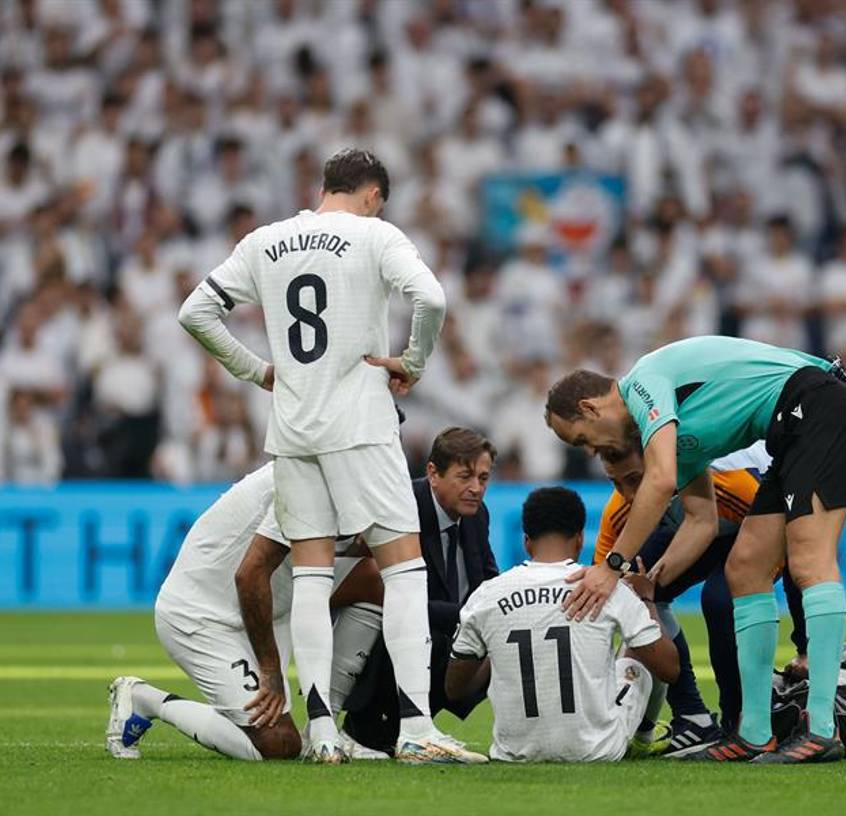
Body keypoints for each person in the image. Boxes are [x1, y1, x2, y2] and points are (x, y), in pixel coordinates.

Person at [176, 149, 478, 763]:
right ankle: (417, 729)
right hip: (360, 423)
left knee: (312, 573)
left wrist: (255, 369)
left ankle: (320, 732)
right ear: (372, 195)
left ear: (324, 187)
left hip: (292, 427)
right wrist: (413, 363)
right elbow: (433, 298)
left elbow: (195, 311)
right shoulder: (374, 234)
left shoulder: (266, 241)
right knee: (404, 570)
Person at [545, 335, 846, 763]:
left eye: (581, 439)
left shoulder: (644, 383)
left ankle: (822, 729)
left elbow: (659, 483)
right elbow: (702, 521)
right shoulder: (673, 434)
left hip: (817, 406)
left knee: (809, 561)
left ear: (590, 408)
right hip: (790, 429)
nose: (590, 452)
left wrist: (611, 566)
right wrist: (650, 581)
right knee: (745, 567)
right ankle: (753, 732)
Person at [104, 463, 386, 762]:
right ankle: (145, 700)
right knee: (278, 744)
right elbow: (249, 575)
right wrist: (269, 671)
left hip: (271, 604)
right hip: (203, 615)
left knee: (373, 582)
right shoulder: (303, 478)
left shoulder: (356, 471)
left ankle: (322, 726)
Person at [595, 442, 809, 756]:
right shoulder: (618, 511)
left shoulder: (732, 484)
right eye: (616, 482)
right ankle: (692, 716)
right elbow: (602, 594)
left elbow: (796, 544)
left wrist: (804, 646)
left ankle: (741, 720)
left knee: (719, 601)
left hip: (752, 531)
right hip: (701, 534)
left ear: (660, 465)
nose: (629, 495)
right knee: (630, 592)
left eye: (635, 479)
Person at [445, 487, 679, 762]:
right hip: (598, 750)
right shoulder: (606, 589)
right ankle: (643, 739)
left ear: (526, 541)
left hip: (514, 754)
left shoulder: (487, 595)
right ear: (580, 539)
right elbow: (669, 668)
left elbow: (455, 689)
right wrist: (645, 598)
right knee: (634, 652)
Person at [341, 427, 499, 753]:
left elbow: (487, 580)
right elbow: (394, 597)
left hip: (447, 625)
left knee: (502, 636)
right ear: (433, 473)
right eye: (465, 477)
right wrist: (470, 616)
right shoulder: (402, 509)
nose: (476, 488)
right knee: (431, 636)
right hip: (376, 627)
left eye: (483, 479)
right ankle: (365, 732)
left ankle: (511, 740)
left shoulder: (477, 515)